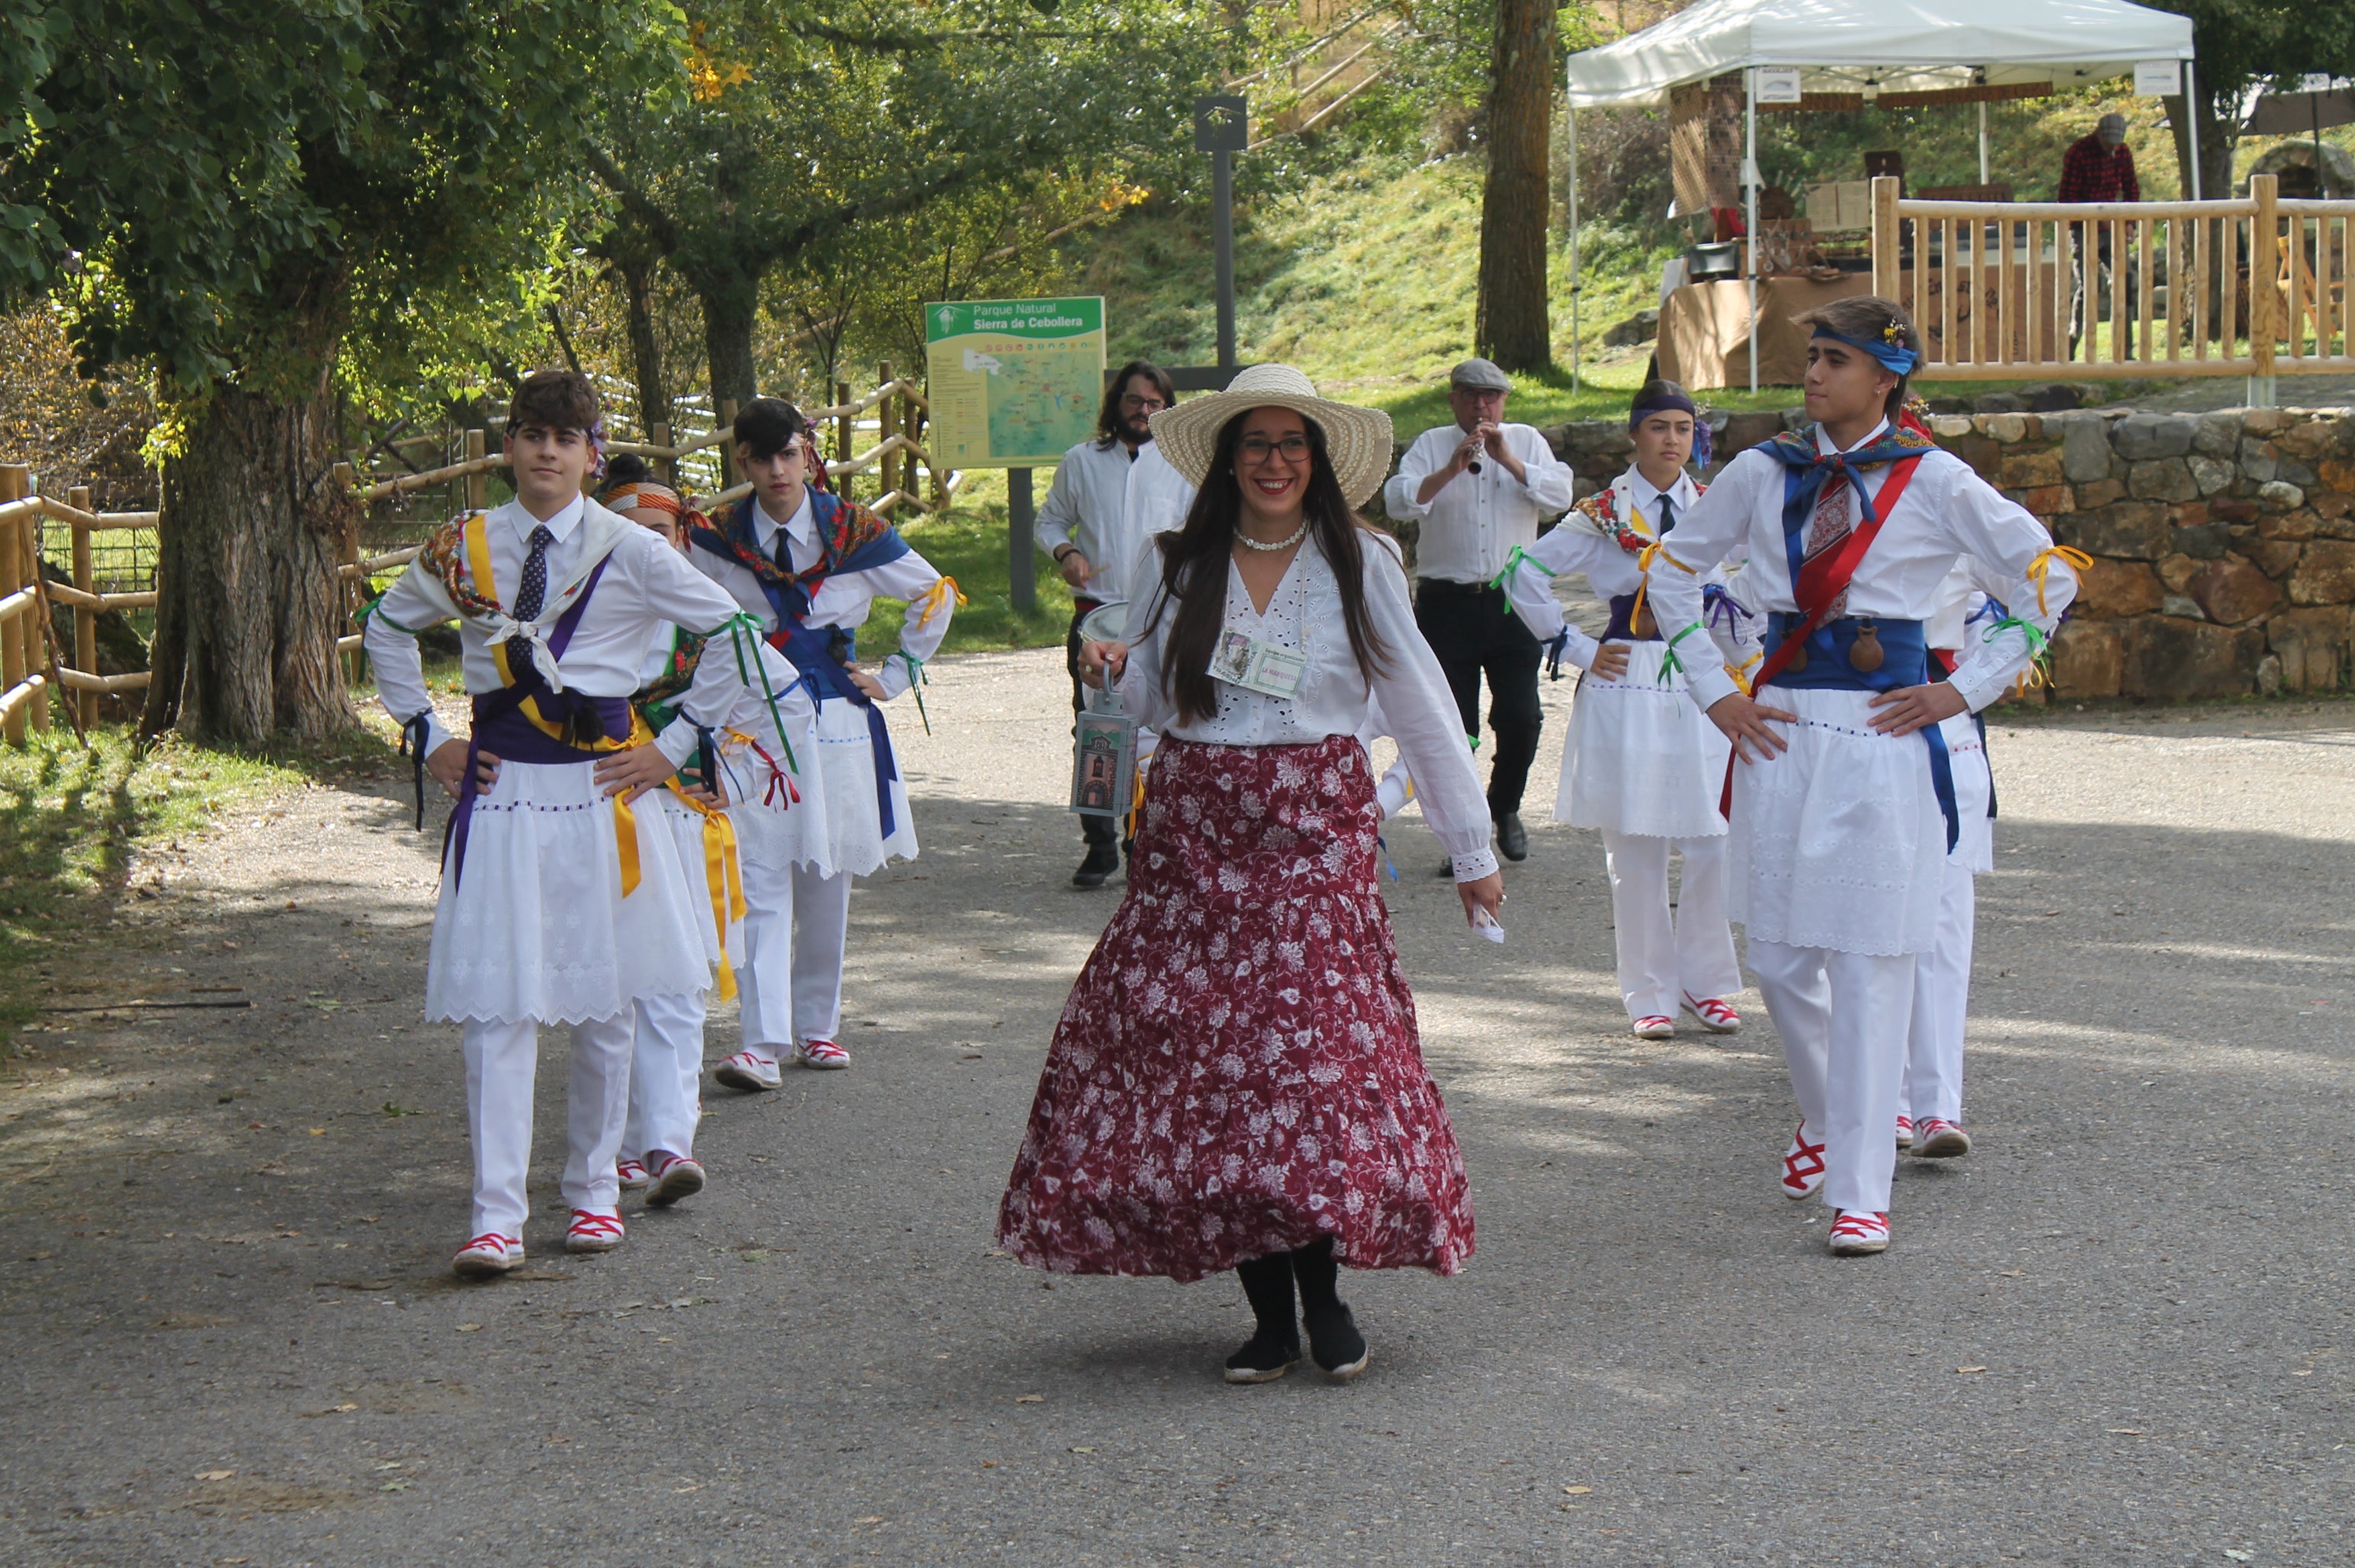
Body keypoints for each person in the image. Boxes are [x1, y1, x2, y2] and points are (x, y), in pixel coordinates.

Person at [998, 364, 1505, 1385]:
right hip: (1196, 836)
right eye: (1255, 444)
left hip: (1313, 835)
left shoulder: (1361, 560)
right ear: (1228, 460)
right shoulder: (1176, 561)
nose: (1274, 461)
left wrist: (1474, 849)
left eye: (1292, 443)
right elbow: (1149, 695)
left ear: (1317, 461)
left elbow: (1422, 712)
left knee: (1306, 1067)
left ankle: (1324, 1299)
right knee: (1216, 1080)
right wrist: (1111, 671)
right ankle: (1271, 1317)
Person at [1643, 297, 2077, 1257]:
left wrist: (1963, 692)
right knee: (1782, 959)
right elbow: (1671, 571)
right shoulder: (1764, 470)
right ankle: (1830, 1114)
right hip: (1782, 735)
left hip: (1886, 741)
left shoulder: (1933, 478)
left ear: (1885, 379)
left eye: (1834, 360)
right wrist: (1715, 691)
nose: (1813, 374)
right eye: (1812, 356)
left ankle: (1861, 1191)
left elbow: (2048, 577)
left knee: (1876, 963)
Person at [361, 370, 787, 1277]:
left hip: (607, 798)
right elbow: (386, 627)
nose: (547, 451)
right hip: (503, 794)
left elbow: (738, 635)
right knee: (500, 1012)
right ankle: (493, 1218)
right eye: (531, 434)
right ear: (508, 447)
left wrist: (673, 745)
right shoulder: (462, 547)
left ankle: (594, 1190)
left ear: (592, 453)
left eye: (566, 437)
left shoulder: (626, 546)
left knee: (606, 1001)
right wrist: (427, 732)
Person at [685, 397, 957, 1082]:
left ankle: (818, 1027)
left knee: (825, 876)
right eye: (762, 457)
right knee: (759, 874)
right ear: (740, 460)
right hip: (752, 728)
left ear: (808, 455)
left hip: (836, 721)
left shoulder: (856, 532)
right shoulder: (716, 537)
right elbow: (686, 620)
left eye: (789, 455)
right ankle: (762, 1040)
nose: (778, 471)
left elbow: (935, 592)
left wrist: (896, 675)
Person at [1496, 381, 1756, 1040]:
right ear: (1635, 435)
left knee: (1710, 838)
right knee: (1635, 846)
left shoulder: (1714, 507)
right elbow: (1523, 569)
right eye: (1659, 427)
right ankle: (1648, 992)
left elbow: (1756, 574)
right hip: (1630, 678)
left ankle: (1707, 982)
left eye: (1683, 428)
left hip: (1703, 675)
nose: (1673, 440)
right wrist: (1575, 646)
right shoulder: (1603, 513)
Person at [598, 458, 824, 1207]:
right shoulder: (575, 614)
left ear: (683, 535)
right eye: (625, 533)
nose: (645, 548)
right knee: (612, 986)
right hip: (596, 817)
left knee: (677, 976)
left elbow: (785, 707)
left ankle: (667, 1142)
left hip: (681, 818)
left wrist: (721, 772)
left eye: (658, 532)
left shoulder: (712, 622)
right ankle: (617, 1146)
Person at [1382, 358, 1576, 872]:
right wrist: (1451, 467)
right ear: (1453, 399)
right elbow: (1400, 502)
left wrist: (1509, 460)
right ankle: (1464, 838)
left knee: (1522, 718)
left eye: (1490, 397)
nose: (1481, 406)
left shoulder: (1527, 442)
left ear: (1504, 402)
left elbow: (1561, 497)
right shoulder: (1430, 444)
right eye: (1470, 396)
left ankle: (1505, 806)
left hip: (1513, 602)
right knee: (1454, 727)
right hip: (1448, 604)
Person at [1036, 360, 1177, 887]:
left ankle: (1145, 839)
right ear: (1117, 403)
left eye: (1155, 403)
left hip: (1161, 616)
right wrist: (1065, 550)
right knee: (1097, 730)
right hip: (1096, 615)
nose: (1143, 412)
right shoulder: (1082, 461)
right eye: (1134, 401)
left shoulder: (1182, 465)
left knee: (1160, 729)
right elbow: (1049, 518)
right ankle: (1098, 844)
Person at [2061, 113, 2140, 355]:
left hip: (2112, 227)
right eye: (2109, 143)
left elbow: (2132, 189)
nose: (2113, 148)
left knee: (2124, 284)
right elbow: (2067, 200)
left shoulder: (2123, 153)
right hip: (2083, 227)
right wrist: (2099, 217)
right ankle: (2072, 342)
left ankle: (2125, 352)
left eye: (2116, 143)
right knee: (2089, 288)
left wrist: (2129, 222)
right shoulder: (2078, 153)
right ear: (2098, 134)